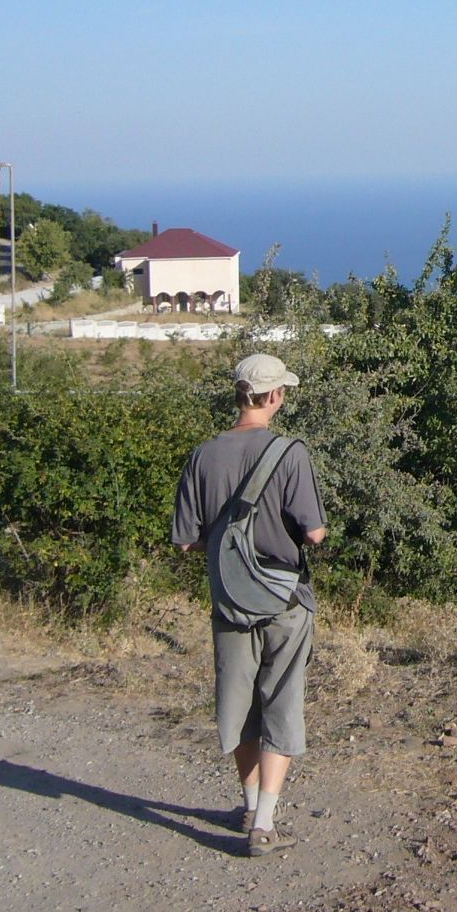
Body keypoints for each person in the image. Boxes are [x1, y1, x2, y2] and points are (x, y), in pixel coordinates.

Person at [172, 353, 326, 857]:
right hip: (285, 599)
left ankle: (246, 803)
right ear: (275, 396)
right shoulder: (290, 453)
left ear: (239, 394)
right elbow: (315, 534)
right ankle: (263, 824)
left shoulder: (203, 455)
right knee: (281, 700)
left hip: (229, 601)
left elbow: (187, 541)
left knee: (238, 705)